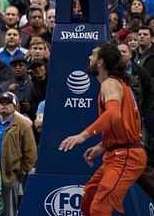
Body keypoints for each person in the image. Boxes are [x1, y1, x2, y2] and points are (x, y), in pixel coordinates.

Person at [59, 43, 147, 216]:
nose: (89, 58)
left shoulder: (110, 84)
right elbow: (122, 124)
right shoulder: (119, 85)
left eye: (93, 55)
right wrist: (102, 145)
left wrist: (83, 135)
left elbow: (113, 115)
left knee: (99, 208)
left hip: (126, 156)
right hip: (117, 152)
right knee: (88, 200)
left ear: (100, 62)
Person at [0, 92, 37, 216]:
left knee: (8, 211)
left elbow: (31, 153)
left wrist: (19, 171)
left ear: (14, 106)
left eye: (8, 103)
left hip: (9, 174)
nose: (4, 105)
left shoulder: (23, 125)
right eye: (1, 103)